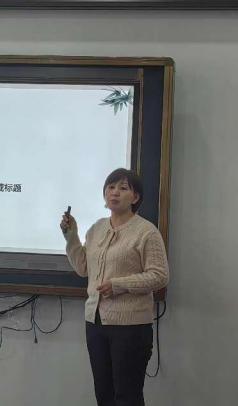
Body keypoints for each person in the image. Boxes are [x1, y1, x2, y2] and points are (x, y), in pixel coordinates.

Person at [60, 168, 169, 406]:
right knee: (104, 395)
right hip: (95, 324)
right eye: (111, 187)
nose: (115, 192)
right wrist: (71, 236)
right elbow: (83, 268)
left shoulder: (146, 232)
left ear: (135, 197)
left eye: (123, 188)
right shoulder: (97, 228)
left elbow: (160, 276)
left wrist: (119, 285)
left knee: (127, 397)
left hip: (131, 328)